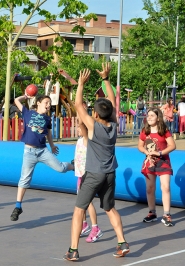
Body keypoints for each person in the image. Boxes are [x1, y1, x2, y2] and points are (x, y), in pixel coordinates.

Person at [63, 63, 129, 261]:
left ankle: (73, 250)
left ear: (97, 114)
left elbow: (77, 105)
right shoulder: (114, 125)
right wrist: (106, 79)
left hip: (94, 174)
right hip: (110, 173)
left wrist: (81, 84)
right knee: (109, 208)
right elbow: (112, 101)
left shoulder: (94, 127)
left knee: (78, 210)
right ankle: (122, 242)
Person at [10, 94, 74, 222]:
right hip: (29, 152)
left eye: (50, 103)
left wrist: (52, 146)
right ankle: (18, 206)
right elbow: (16, 100)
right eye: (46, 102)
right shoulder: (28, 113)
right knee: (24, 179)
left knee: (61, 168)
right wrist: (26, 96)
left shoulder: (47, 119)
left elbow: (48, 133)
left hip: (42, 151)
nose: (48, 105)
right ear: (38, 103)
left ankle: (74, 165)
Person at [138, 107, 176, 227]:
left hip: (163, 162)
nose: (149, 117)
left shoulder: (163, 130)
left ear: (158, 118)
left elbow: (172, 145)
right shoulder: (145, 131)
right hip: (150, 163)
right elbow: (140, 146)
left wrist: (159, 153)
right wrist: (146, 152)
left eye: (152, 115)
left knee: (165, 187)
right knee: (150, 188)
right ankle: (152, 212)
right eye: (148, 115)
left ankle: (166, 214)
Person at [74, 120, 102, 243]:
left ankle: (96, 228)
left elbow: (83, 127)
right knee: (81, 202)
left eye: (80, 128)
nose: (78, 130)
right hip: (80, 175)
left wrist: (80, 116)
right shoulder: (79, 140)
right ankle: (84, 225)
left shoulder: (87, 140)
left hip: (87, 176)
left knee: (88, 202)